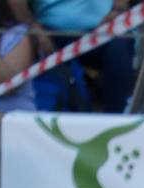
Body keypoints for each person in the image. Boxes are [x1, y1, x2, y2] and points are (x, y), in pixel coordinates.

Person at [7, 0, 136, 113]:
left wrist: (116, 11)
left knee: (118, 46)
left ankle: (117, 121)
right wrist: (34, 27)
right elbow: (16, 3)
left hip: (104, 29)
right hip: (51, 32)